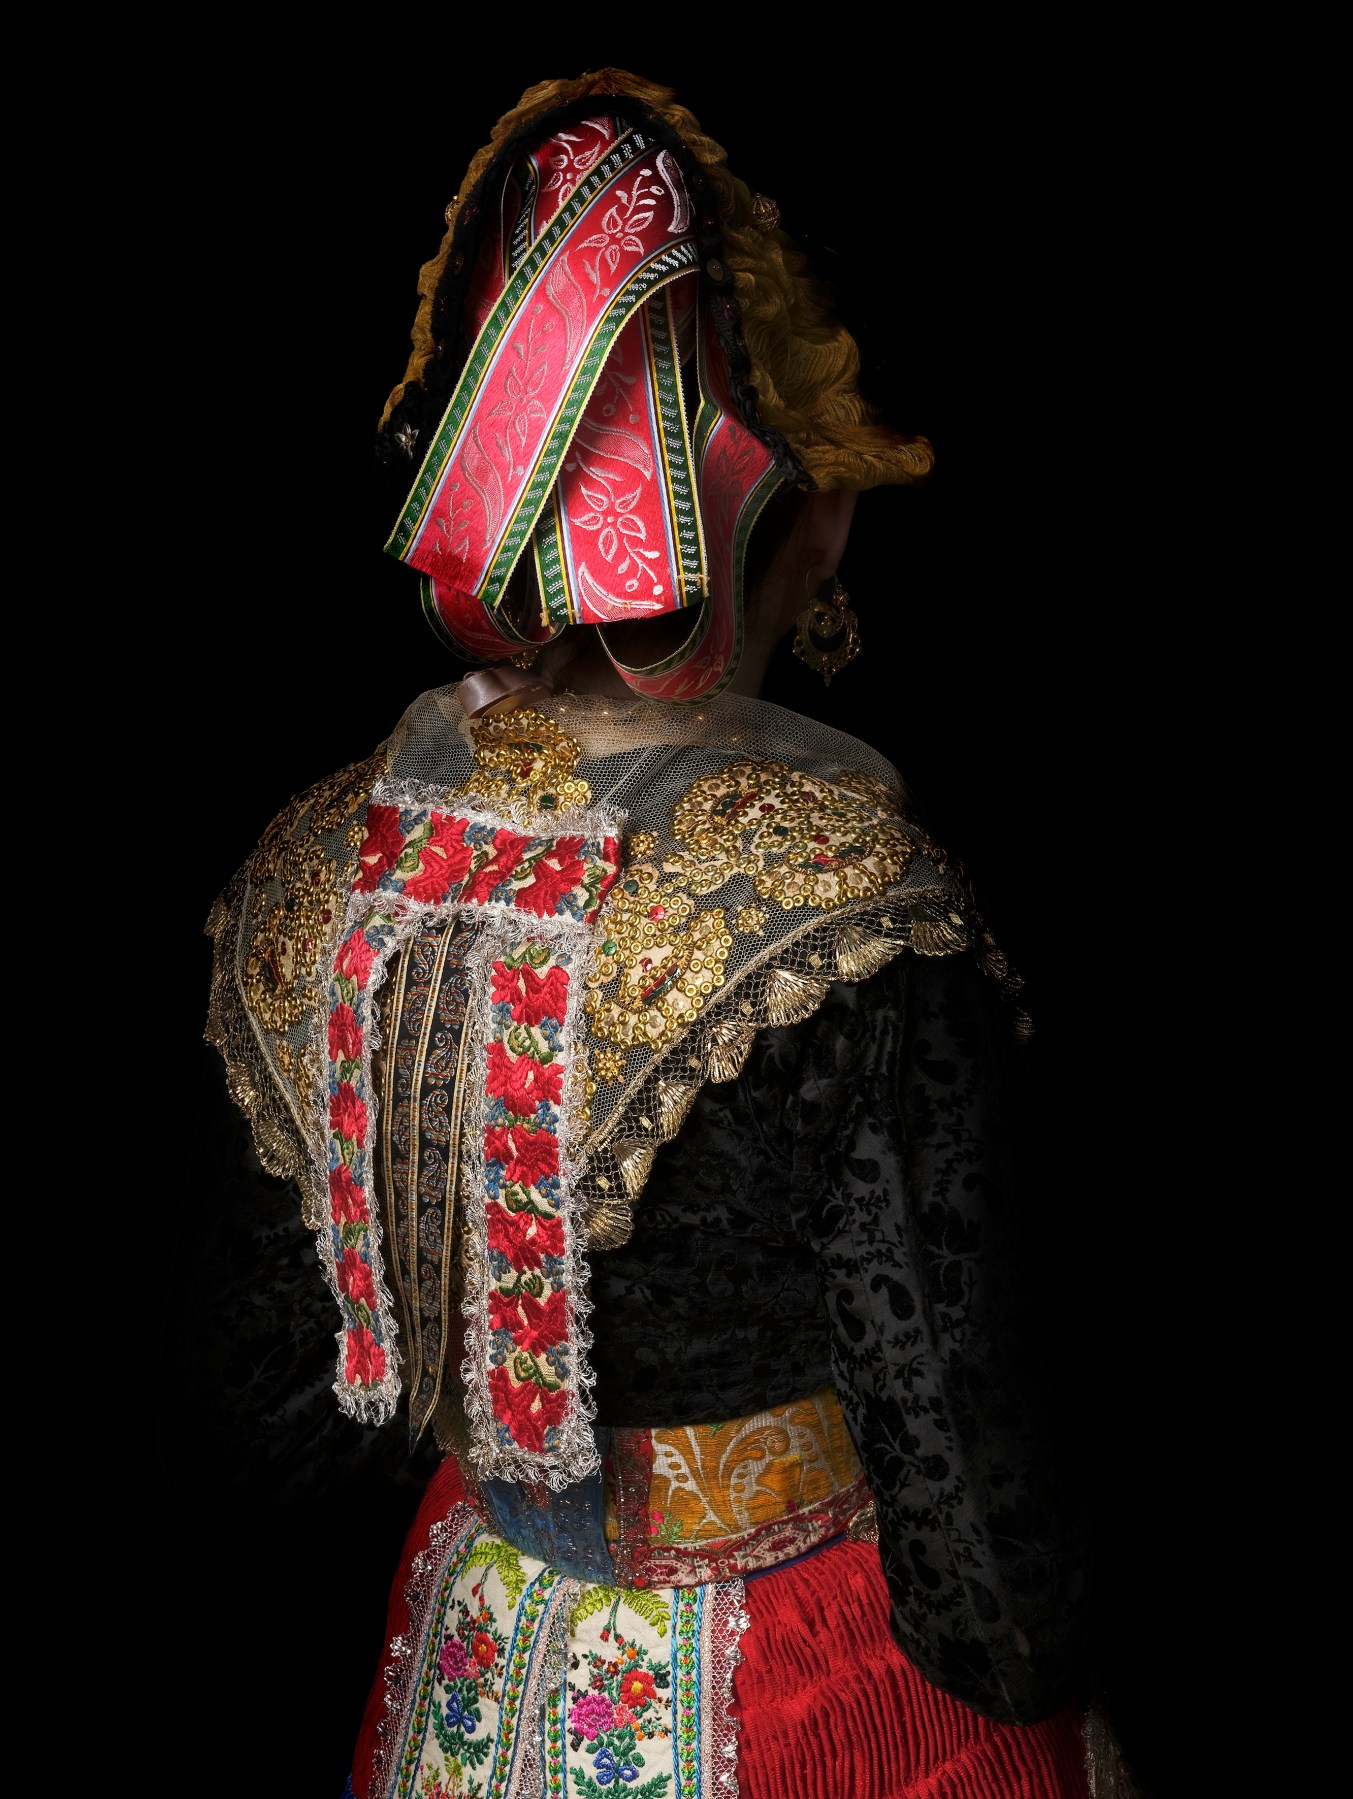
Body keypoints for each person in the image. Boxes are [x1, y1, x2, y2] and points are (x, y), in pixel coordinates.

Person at [202, 66, 1129, 1799]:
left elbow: (277, 1426)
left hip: (478, 1647)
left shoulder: (319, 856)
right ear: (821, 517)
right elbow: (987, 1579)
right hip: (806, 1684)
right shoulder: (837, 888)